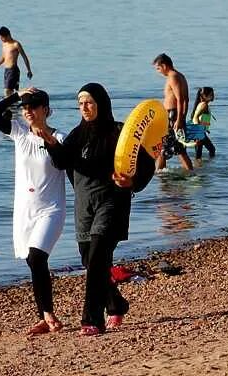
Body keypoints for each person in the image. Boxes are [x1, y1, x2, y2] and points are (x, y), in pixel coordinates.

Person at [41, 83, 155, 336]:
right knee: (89, 259)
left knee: (96, 258)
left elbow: (147, 165)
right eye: (80, 103)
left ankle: (92, 320)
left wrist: (132, 182)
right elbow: (61, 162)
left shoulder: (120, 132)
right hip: (84, 205)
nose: (84, 107)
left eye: (89, 102)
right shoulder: (77, 135)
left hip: (112, 202)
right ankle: (116, 304)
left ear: (101, 104)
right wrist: (49, 140)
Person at [0, 88, 66, 336]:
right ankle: (45, 316)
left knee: (37, 257)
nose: (28, 110)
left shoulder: (60, 137)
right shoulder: (19, 132)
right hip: (24, 210)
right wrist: (15, 95)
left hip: (51, 209)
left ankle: (48, 314)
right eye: (25, 106)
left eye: (33, 106)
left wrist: (49, 142)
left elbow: (63, 161)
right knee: (33, 262)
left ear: (46, 109)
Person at [152, 53, 194, 171]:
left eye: (158, 68)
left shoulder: (173, 77)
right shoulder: (180, 76)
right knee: (178, 148)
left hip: (173, 116)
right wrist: (183, 116)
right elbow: (186, 99)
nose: (158, 71)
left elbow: (181, 99)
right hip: (175, 115)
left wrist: (179, 119)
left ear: (164, 66)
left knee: (163, 148)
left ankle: (160, 176)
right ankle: (190, 173)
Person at [0, 26, 34, 98]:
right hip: (6, 71)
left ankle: (26, 93)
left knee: (7, 91)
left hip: (13, 70)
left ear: (8, 35)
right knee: (11, 92)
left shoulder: (16, 44)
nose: (1, 40)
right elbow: (3, 57)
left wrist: (29, 70)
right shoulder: (4, 44)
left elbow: (24, 57)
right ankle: (15, 105)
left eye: (2, 38)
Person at [190, 86, 216, 161]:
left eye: (213, 94)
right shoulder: (203, 105)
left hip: (199, 132)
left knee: (198, 154)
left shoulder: (204, 104)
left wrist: (205, 129)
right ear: (204, 96)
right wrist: (199, 132)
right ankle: (210, 166)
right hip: (198, 132)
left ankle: (198, 168)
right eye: (211, 94)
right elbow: (195, 117)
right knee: (212, 149)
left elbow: (201, 118)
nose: (213, 96)